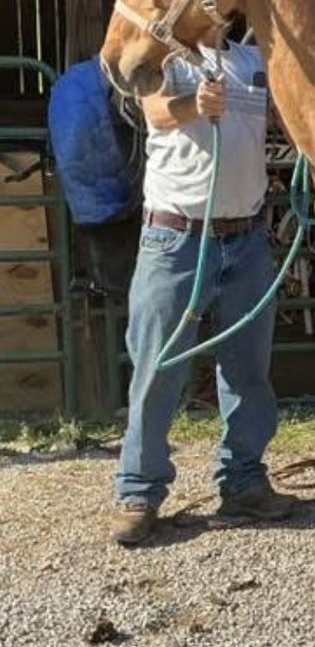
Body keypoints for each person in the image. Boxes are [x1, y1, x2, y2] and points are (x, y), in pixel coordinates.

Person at [112, 34, 296, 546]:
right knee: (157, 369)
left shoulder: (252, 61)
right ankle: (138, 492)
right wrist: (195, 104)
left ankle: (244, 482)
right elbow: (154, 110)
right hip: (176, 240)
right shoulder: (161, 58)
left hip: (246, 236)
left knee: (248, 370)